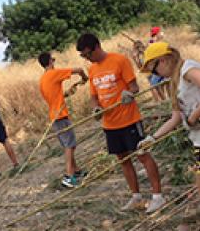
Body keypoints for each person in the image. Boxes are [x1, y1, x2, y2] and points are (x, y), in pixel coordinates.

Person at [76, 33, 165, 213]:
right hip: (110, 124)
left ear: (97, 47)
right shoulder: (93, 70)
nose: (87, 58)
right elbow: (93, 97)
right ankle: (136, 197)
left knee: (142, 154)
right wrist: (95, 109)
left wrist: (128, 94)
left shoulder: (120, 60)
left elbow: (134, 87)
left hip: (129, 119)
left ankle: (158, 196)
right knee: (123, 160)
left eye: (88, 54)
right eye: (83, 56)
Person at [138, 42, 200, 229]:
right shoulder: (174, 83)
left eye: (154, 71)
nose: (156, 76)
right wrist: (152, 138)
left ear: (163, 60)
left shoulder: (187, 69)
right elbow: (175, 118)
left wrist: (194, 116)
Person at [38, 52, 88, 188]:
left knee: (69, 144)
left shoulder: (43, 80)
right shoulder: (53, 74)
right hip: (60, 116)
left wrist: (66, 94)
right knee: (69, 146)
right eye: (53, 59)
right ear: (49, 62)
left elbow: (54, 97)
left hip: (54, 116)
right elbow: (79, 70)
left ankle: (76, 171)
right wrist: (85, 78)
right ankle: (68, 176)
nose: (54, 62)